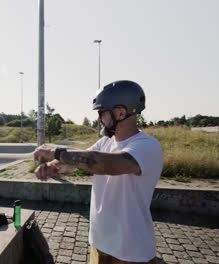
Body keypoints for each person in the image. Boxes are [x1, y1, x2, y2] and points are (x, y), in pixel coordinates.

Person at [33, 80, 163, 264]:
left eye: (102, 112)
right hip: (100, 242)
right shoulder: (105, 142)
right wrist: (53, 167)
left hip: (131, 251)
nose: (98, 118)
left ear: (120, 112)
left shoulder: (147, 146)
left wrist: (56, 151)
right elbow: (77, 162)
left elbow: (106, 165)